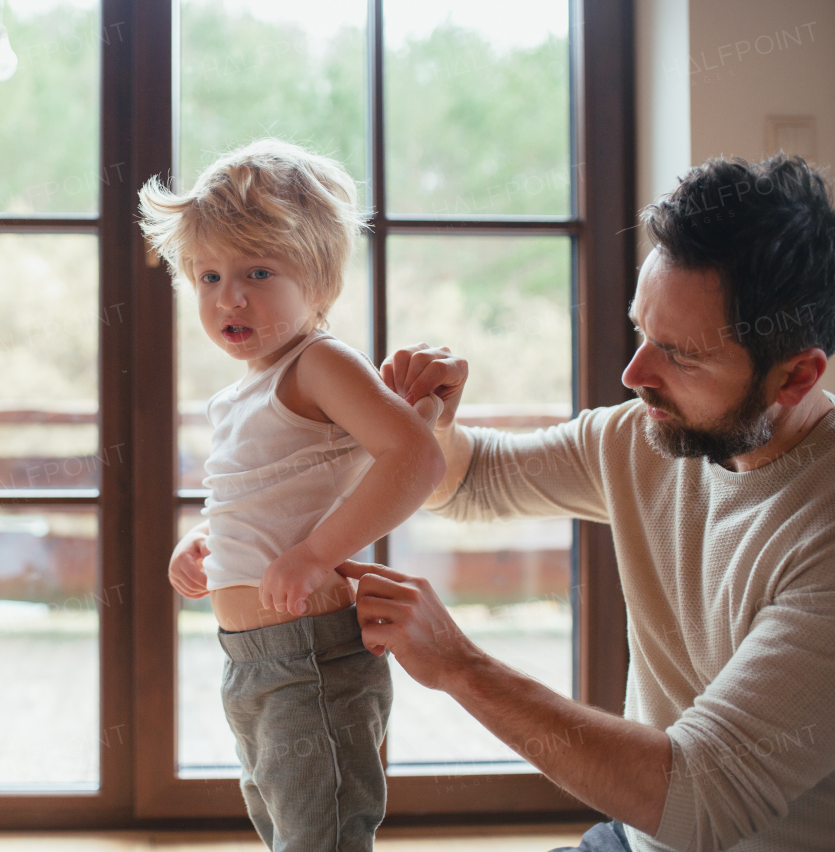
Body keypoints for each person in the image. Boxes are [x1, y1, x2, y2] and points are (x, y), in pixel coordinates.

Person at [344, 153, 835, 852]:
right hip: (636, 838)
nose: (634, 375)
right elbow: (473, 479)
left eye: (681, 356)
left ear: (796, 377)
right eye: (641, 332)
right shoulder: (649, 438)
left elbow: (700, 799)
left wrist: (461, 665)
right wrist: (436, 426)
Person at [139, 138, 446, 851]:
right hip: (251, 658)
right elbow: (265, 495)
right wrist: (204, 545)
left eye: (257, 271)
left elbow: (415, 458)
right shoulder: (244, 389)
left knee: (322, 834)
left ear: (319, 280)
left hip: (309, 654)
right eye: (209, 276)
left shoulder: (319, 362)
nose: (229, 297)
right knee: (288, 826)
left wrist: (316, 554)